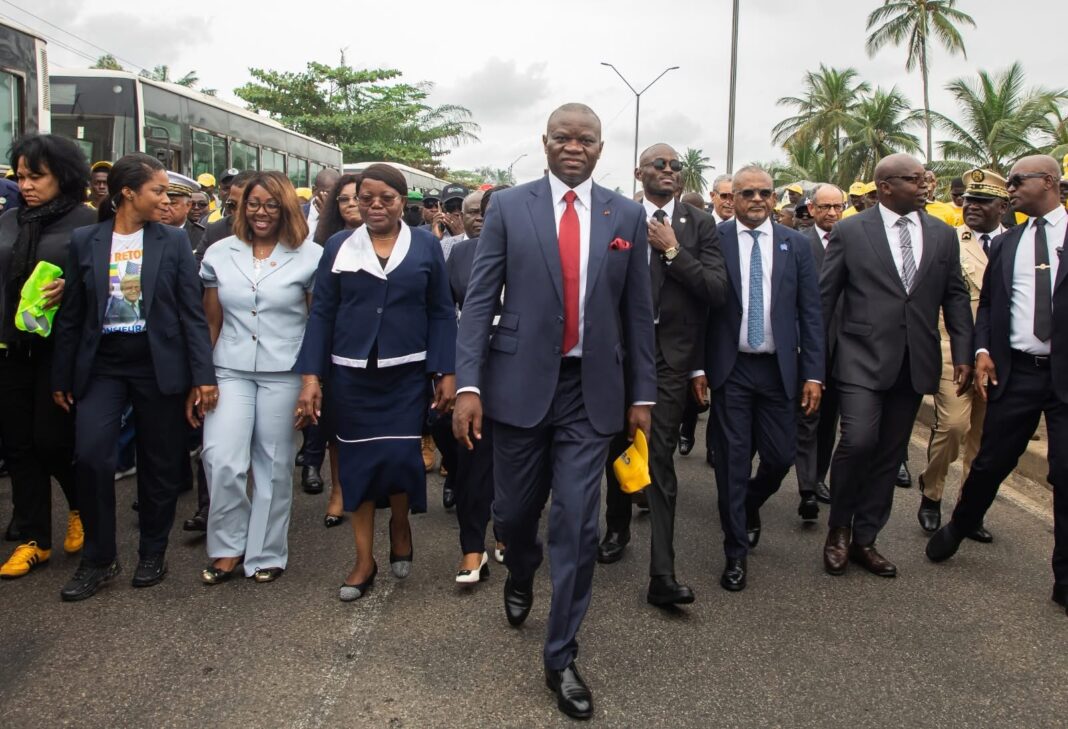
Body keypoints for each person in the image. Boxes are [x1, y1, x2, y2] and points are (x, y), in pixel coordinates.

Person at [453, 103, 656, 720]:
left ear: (600, 147)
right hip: (516, 385)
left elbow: (636, 311)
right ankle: (519, 568)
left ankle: (561, 654)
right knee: (515, 514)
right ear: (545, 143)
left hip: (590, 393)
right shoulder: (511, 208)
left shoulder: (625, 214)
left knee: (578, 523)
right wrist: (468, 384)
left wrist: (641, 394)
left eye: (586, 139)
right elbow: (480, 297)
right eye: (563, 137)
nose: (574, 146)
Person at [51, 152, 217, 601]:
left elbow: (191, 314)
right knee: (91, 456)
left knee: (160, 462)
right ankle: (99, 558)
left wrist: (202, 376)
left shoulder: (173, 242)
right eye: (158, 191)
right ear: (128, 193)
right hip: (102, 363)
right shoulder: (86, 240)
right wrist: (62, 375)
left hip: (156, 363)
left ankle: (152, 550)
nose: (166, 200)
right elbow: (72, 314)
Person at [294, 163, 456, 603]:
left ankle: (400, 526)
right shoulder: (338, 247)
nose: (375, 205)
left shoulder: (424, 245)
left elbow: (441, 310)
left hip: (406, 374)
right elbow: (322, 312)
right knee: (357, 466)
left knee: (400, 459)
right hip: (351, 374)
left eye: (386, 198)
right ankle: (364, 560)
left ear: (404, 201)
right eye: (366, 198)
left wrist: (446, 372)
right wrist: (312, 377)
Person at [926, 155, 1067, 619]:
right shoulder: (1010, 244)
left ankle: (1063, 579)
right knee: (990, 461)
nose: (1010, 190)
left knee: (1065, 475)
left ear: (1048, 182)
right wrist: (984, 349)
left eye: (1017, 182)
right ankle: (961, 523)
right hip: (1018, 371)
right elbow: (989, 308)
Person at [820, 153, 973, 578]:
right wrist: (815, 362)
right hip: (859, 358)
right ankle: (839, 529)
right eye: (913, 180)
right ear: (885, 186)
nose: (924, 185)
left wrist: (962, 351)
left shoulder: (943, 235)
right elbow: (825, 298)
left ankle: (866, 538)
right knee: (859, 441)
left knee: (890, 453)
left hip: (914, 361)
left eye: (924, 178)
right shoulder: (851, 231)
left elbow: (956, 296)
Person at [600, 144, 727, 606]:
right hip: (618, 355)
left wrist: (672, 252)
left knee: (658, 456)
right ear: (640, 171)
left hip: (670, 359)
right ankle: (616, 529)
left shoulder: (700, 224)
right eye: (660, 164)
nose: (669, 171)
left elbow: (715, 289)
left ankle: (662, 575)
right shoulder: (615, 217)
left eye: (676, 166)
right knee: (617, 445)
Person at [691, 166, 823, 591]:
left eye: (764, 193)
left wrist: (814, 374)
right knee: (731, 461)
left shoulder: (795, 244)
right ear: (733, 197)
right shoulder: (716, 239)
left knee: (782, 456)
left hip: (779, 369)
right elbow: (699, 310)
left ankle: (750, 502)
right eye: (747, 193)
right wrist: (698, 367)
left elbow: (810, 312)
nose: (756, 199)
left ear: (774, 198)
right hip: (732, 369)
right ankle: (735, 552)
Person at [199, 171, 321, 585]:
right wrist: (202, 377)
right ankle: (228, 547)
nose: (261, 212)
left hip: (284, 371)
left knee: (273, 463)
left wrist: (310, 380)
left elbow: (315, 322)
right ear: (240, 206)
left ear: (286, 207)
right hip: (229, 368)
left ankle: (266, 552)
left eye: (271, 204)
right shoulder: (219, 252)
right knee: (221, 458)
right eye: (253, 203)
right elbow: (211, 321)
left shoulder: (310, 255)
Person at [0, 134, 96, 579]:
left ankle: (78, 506)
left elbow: (112, 290)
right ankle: (33, 539)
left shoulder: (88, 224)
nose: (26, 185)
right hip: (11, 346)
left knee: (52, 441)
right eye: (20, 176)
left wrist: (72, 290)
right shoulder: (10, 220)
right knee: (18, 446)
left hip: (61, 350)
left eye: (35, 176)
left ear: (63, 175)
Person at [917, 169, 1009, 536]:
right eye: (969, 200)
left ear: (1002, 206)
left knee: (983, 439)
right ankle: (932, 491)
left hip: (1000, 356)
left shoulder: (1016, 244)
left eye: (982, 202)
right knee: (953, 426)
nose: (972, 207)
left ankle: (968, 509)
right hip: (951, 348)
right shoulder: (948, 240)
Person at [751, 183, 845, 513]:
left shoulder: (854, 241)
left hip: (845, 348)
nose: (832, 213)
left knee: (829, 419)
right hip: (801, 345)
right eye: (826, 207)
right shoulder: (797, 244)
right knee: (807, 418)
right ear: (812, 210)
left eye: (838, 207)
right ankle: (807, 488)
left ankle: (817, 475)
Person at [446, 185, 507, 582]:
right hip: (475, 368)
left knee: (518, 464)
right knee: (472, 459)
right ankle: (472, 548)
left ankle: (508, 533)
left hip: (525, 371)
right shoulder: (462, 254)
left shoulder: (542, 251)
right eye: (487, 210)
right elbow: (449, 312)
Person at [306, 172, 364, 523]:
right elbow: (320, 307)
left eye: (359, 195)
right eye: (344, 199)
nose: (353, 203)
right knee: (337, 424)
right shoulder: (327, 245)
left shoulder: (401, 240)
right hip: (338, 345)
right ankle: (339, 489)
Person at [433, 189, 485, 509]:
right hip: (457, 348)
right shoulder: (450, 250)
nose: (479, 217)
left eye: (484, 211)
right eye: (471, 212)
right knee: (438, 420)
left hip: (500, 351)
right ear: (460, 218)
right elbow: (441, 307)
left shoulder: (515, 247)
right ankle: (454, 469)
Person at [160, 171, 205, 253]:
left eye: (172, 203)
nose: (165, 208)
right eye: (161, 202)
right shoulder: (145, 233)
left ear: (188, 206)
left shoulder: (202, 237)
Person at [304, 167, 341, 242]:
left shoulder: (341, 216)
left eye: (337, 193)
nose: (334, 198)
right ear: (314, 190)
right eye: (329, 193)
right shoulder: (297, 213)